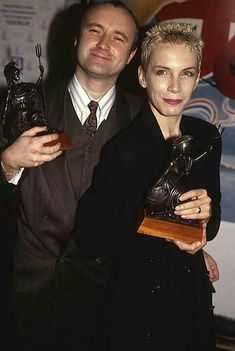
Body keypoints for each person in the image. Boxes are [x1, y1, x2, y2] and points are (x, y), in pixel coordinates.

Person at [0, 3, 218, 350]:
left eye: (119, 37)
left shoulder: (149, 119)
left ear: (132, 56)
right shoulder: (21, 106)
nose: (104, 44)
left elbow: (155, 207)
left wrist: (187, 246)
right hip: (28, 291)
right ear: (74, 40)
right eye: (95, 30)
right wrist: (7, 163)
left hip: (109, 297)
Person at [73, 22, 222, 351]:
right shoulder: (124, 149)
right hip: (139, 299)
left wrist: (203, 220)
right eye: (162, 72)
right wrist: (167, 238)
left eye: (186, 73)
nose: (174, 87)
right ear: (142, 77)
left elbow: (209, 226)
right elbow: (89, 233)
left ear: (198, 78)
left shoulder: (206, 137)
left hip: (191, 292)